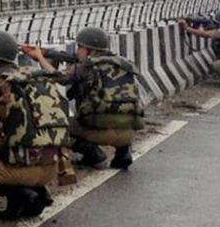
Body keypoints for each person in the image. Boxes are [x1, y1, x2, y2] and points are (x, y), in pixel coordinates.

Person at [0, 30, 71, 219]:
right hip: (51, 166)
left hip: (17, 170)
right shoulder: (36, 76)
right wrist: (39, 57)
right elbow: (60, 77)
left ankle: (19, 193)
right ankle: (35, 193)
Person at [21, 26, 144, 170]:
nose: (77, 50)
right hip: (129, 132)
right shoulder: (124, 64)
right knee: (120, 112)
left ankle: (93, 154)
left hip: (98, 128)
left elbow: (59, 77)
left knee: (58, 128)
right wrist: (48, 52)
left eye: (80, 47)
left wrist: (40, 57)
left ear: (90, 50)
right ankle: (123, 153)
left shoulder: (87, 66)